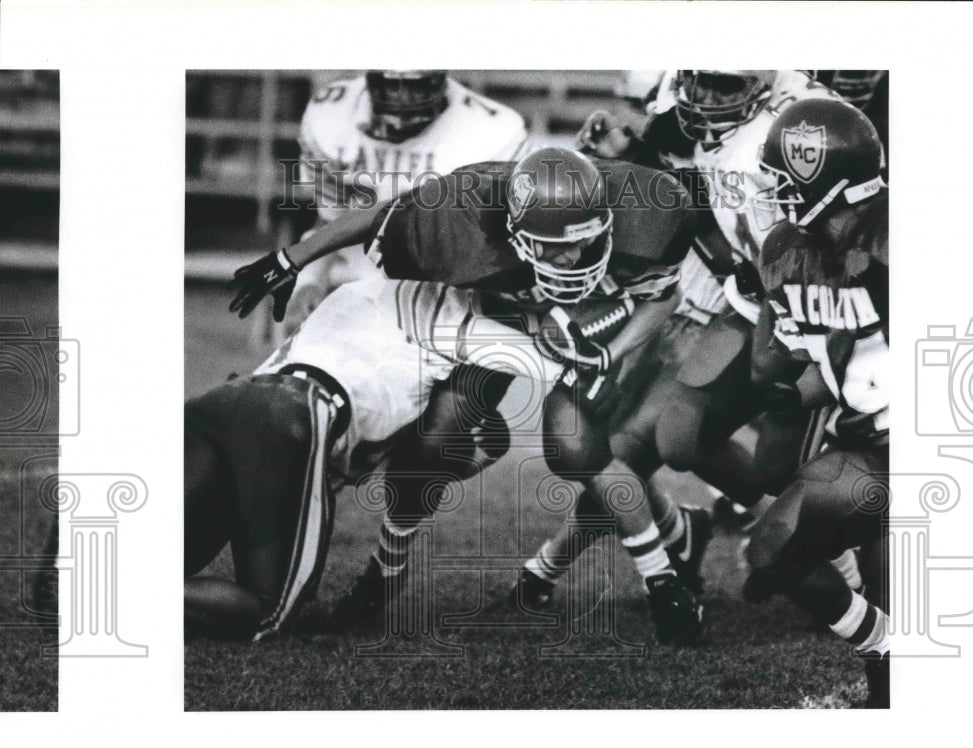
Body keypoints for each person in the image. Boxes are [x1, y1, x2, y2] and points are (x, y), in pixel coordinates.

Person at [230, 147, 707, 644]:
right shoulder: (466, 218)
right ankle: (388, 568)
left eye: (584, 241)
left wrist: (613, 354)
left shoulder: (649, 214)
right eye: (553, 247)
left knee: (575, 447)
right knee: (436, 441)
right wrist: (290, 259)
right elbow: (382, 214)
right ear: (516, 235)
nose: (571, 257)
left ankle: (664, 582)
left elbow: (664, 295)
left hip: (597, 316)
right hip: (499, 316)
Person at [512, 71, 850, 612]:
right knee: (643, 446)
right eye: (695, 85)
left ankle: (824, 559)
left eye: (721, 86)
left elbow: (723, 224)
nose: (700, 102)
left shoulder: (790, 124)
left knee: (638, 449)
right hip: (715, 300)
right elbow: (696, 197)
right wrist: (627, 160)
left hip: (751, 304)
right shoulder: (685, 108)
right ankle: (719, 539)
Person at [188, 273, 562, 641]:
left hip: (223, 401)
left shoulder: (361, 296)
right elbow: (546, 361)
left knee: (170, 557)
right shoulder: (446, 319)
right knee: (265, 613)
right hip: (295, 414)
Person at [743, 97, 890, 707]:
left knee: (905, 563)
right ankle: (887, 645)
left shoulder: (897, 239)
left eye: (782, 176)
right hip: (868, 447)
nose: (772, 190)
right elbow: (812, 364)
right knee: (772, 549)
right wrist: (783, 385)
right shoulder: (785, 248)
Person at [275, 70, 527, 340]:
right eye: (391, 85)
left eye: (415, 86)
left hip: (451, 300)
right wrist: (309, 283)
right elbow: (331, 220)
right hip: (361, 288)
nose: (403, 99)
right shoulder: (332, 116)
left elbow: (498, 251)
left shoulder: (492, 133)